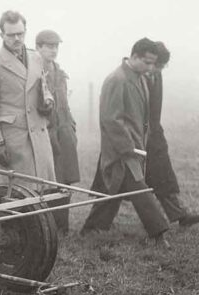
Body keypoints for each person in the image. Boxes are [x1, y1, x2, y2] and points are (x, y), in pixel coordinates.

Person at [80, 38, 169, 247]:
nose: (151, 68)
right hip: (121, 149)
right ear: (134, 56)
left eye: (153, 63)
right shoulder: (116, 80)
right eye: (147, 62)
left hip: (134, 146)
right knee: (139, 188)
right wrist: (128, 148)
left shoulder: (139, 78)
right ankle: (159, 233)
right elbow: (111, 119)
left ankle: (92, 228)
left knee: (116, 187)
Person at [0, 11, 55, 189]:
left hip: (40, 136)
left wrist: (48, 101)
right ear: (2, 35)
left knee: (46, 193)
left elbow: (43, 88)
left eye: (20, 33)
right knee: (19, 197)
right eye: (11, 35)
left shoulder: (36, 57)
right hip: (15, 141)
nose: (17, 38)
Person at [144, 42, 199, 227]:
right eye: (157, 65)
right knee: (117, 181)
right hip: (133, 136)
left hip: (153, 135)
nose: (158, 70)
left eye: (161, 67)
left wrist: (154, 132)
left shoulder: (156, 76)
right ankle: (95, 225)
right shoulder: (135, 77)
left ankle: (179, 215)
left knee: (162, 176)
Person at [35, 29, 80, 233]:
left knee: (66, 180)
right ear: (38, 47)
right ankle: (49, 228)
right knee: (50, 180)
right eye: (49, 46)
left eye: (56, 46)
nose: (54, 50)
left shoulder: (60, 72)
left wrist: (71, 126)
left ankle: (63, 227)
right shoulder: (33, 73)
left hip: (65, 131)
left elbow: (65, 104)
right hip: (46, 132)